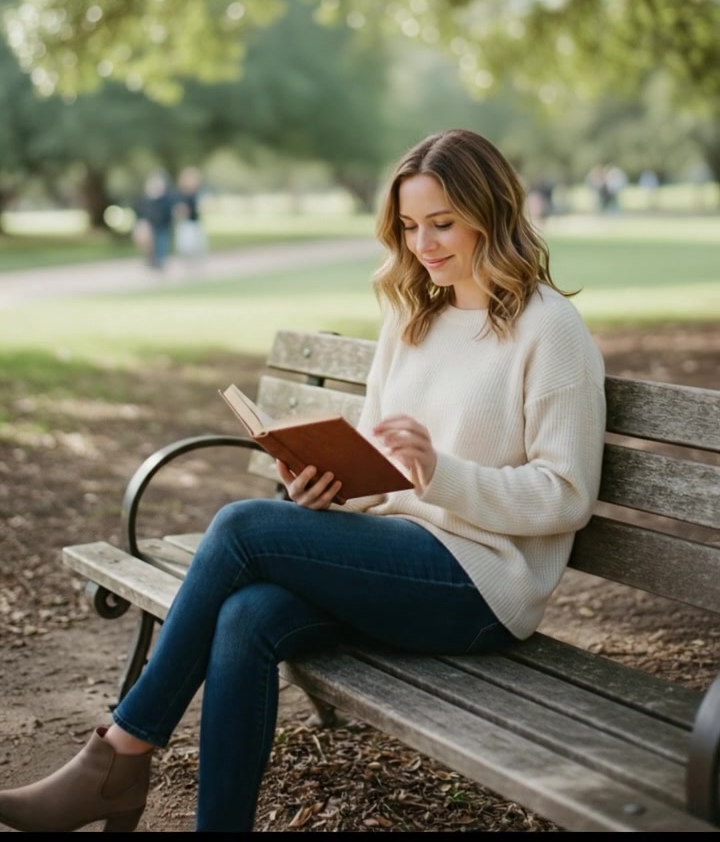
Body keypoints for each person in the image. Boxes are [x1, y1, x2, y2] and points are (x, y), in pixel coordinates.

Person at [0, 129, 607, 834]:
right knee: (247, 614)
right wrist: (333, 487)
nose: (424, 244)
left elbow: (566, 495)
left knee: (240, 526)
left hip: (484, 586)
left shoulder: (549, 328)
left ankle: (116, 760)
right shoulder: (413, 316)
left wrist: (443, 474)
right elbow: (384, 472)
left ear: (492, 213)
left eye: (442, 223)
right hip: (399, 556)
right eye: (410, 227)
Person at [132, 170, 175, 270]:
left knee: (162, 244)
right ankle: (153, 262)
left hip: (163, 225)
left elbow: (168, 211)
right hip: (151, 226)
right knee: (151, 245)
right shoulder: (146, 198)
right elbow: (141, 212)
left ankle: (160, 262)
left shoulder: (166, 198)